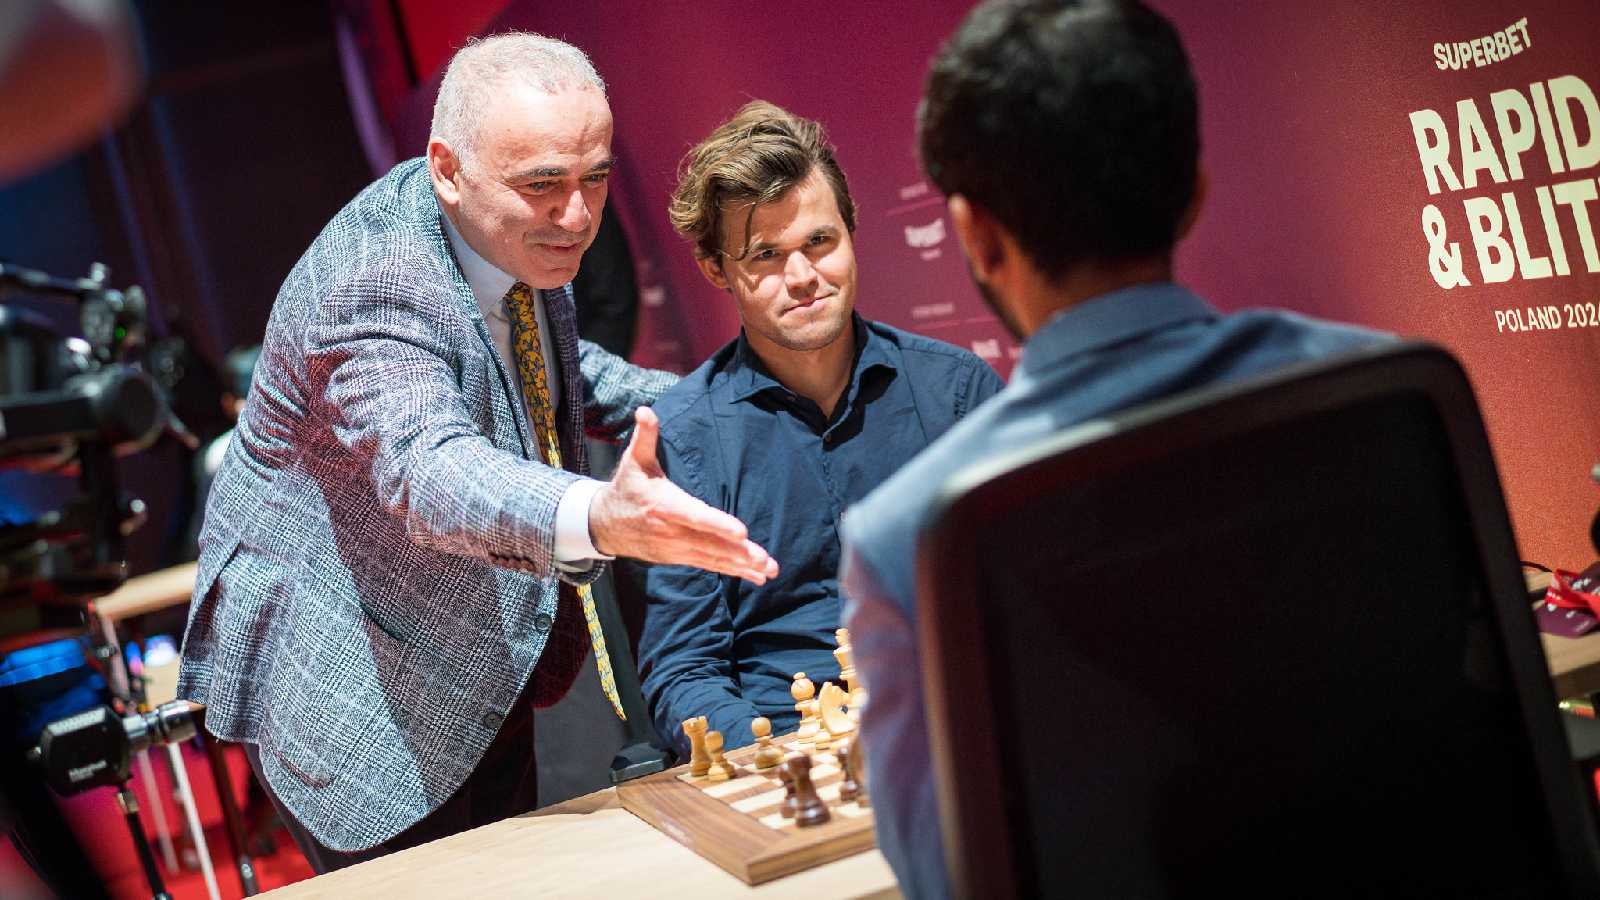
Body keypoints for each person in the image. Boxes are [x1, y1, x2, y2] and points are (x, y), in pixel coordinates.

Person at [176, 32, 777, 873]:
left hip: (478, 655)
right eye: (544, 186)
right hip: (361, 697)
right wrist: (598, 513)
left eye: (594, 178)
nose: (578, 216)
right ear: (449, 168)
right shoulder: (377, 280)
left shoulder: (502, 230)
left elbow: (568, 376)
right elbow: (430, 468)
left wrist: (724, 407)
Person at [838, 1, 1390, 897]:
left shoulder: (910, 537)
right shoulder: (1389, 392)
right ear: (1193, 191)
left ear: (974, 234)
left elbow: (949, 877)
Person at [637, 101, 1004, 757]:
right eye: (766, 256)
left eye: (819, 242)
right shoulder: (685, 438)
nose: (803, 278)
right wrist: (785, 758)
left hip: (967, 726)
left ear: (852, 230)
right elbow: (683, 671)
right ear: (716, 270)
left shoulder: (958, 393)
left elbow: (1024, 596)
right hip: (790, 749)